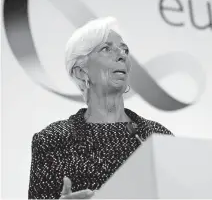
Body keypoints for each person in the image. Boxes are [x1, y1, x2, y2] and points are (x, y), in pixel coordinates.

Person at [28, 17, 173, 199]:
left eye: (124, 50)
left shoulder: (156, 136)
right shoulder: (54, 139)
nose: (122, 55)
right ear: (81, 72)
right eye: (106, 49)